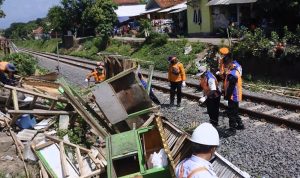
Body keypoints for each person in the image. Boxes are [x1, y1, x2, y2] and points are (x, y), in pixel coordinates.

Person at [223, 56, 245, 136]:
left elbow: (231, 88)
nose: (225, 66)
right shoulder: (234, 70)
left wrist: (226, 98)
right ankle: (240, 124)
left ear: (229, 63)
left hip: (233, 96)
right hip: (236, 95)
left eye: (225, 64)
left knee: (231, 113)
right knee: (235, 112)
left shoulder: (232, 74)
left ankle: (232, 129)